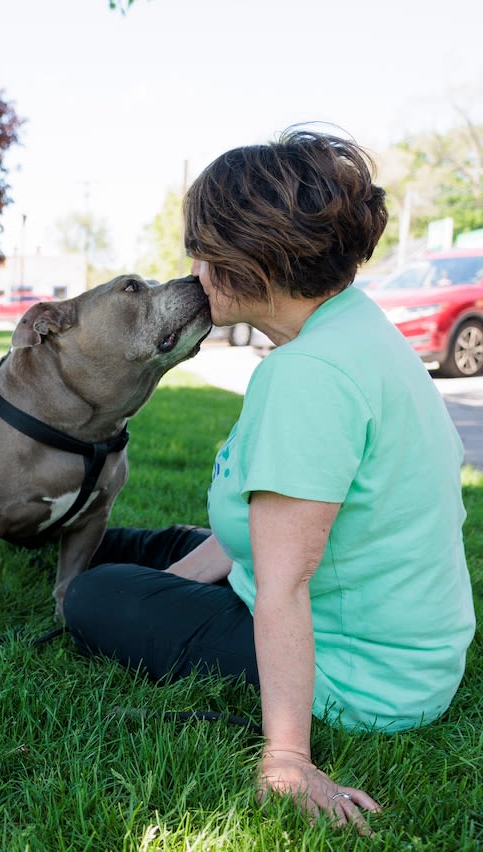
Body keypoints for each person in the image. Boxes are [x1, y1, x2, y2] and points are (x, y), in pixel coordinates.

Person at [59, 128, 473, 834]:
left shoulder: (308, 377)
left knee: (93, 592)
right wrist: (183, 581)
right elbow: (277, 516)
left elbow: (285, 584)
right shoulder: (351, 327)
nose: (195, 267)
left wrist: (287, 758)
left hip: (363, 678)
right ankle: (141, 574)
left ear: (256, 259)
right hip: (407, 647)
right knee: (119, 545)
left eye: (206, 251)